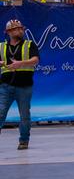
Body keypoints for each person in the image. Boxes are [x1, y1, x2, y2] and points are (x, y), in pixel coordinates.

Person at [0, 18, 39, 150]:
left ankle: (24, 140)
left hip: (24, 86)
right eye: (16, 29)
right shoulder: (1, 46)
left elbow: (35, 60)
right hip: (5, 86)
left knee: (24, 116)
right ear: (9, 32)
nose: (20, 30)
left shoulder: (29, 44)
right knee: (0, 113)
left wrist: (20, 63)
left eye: (21, 28)